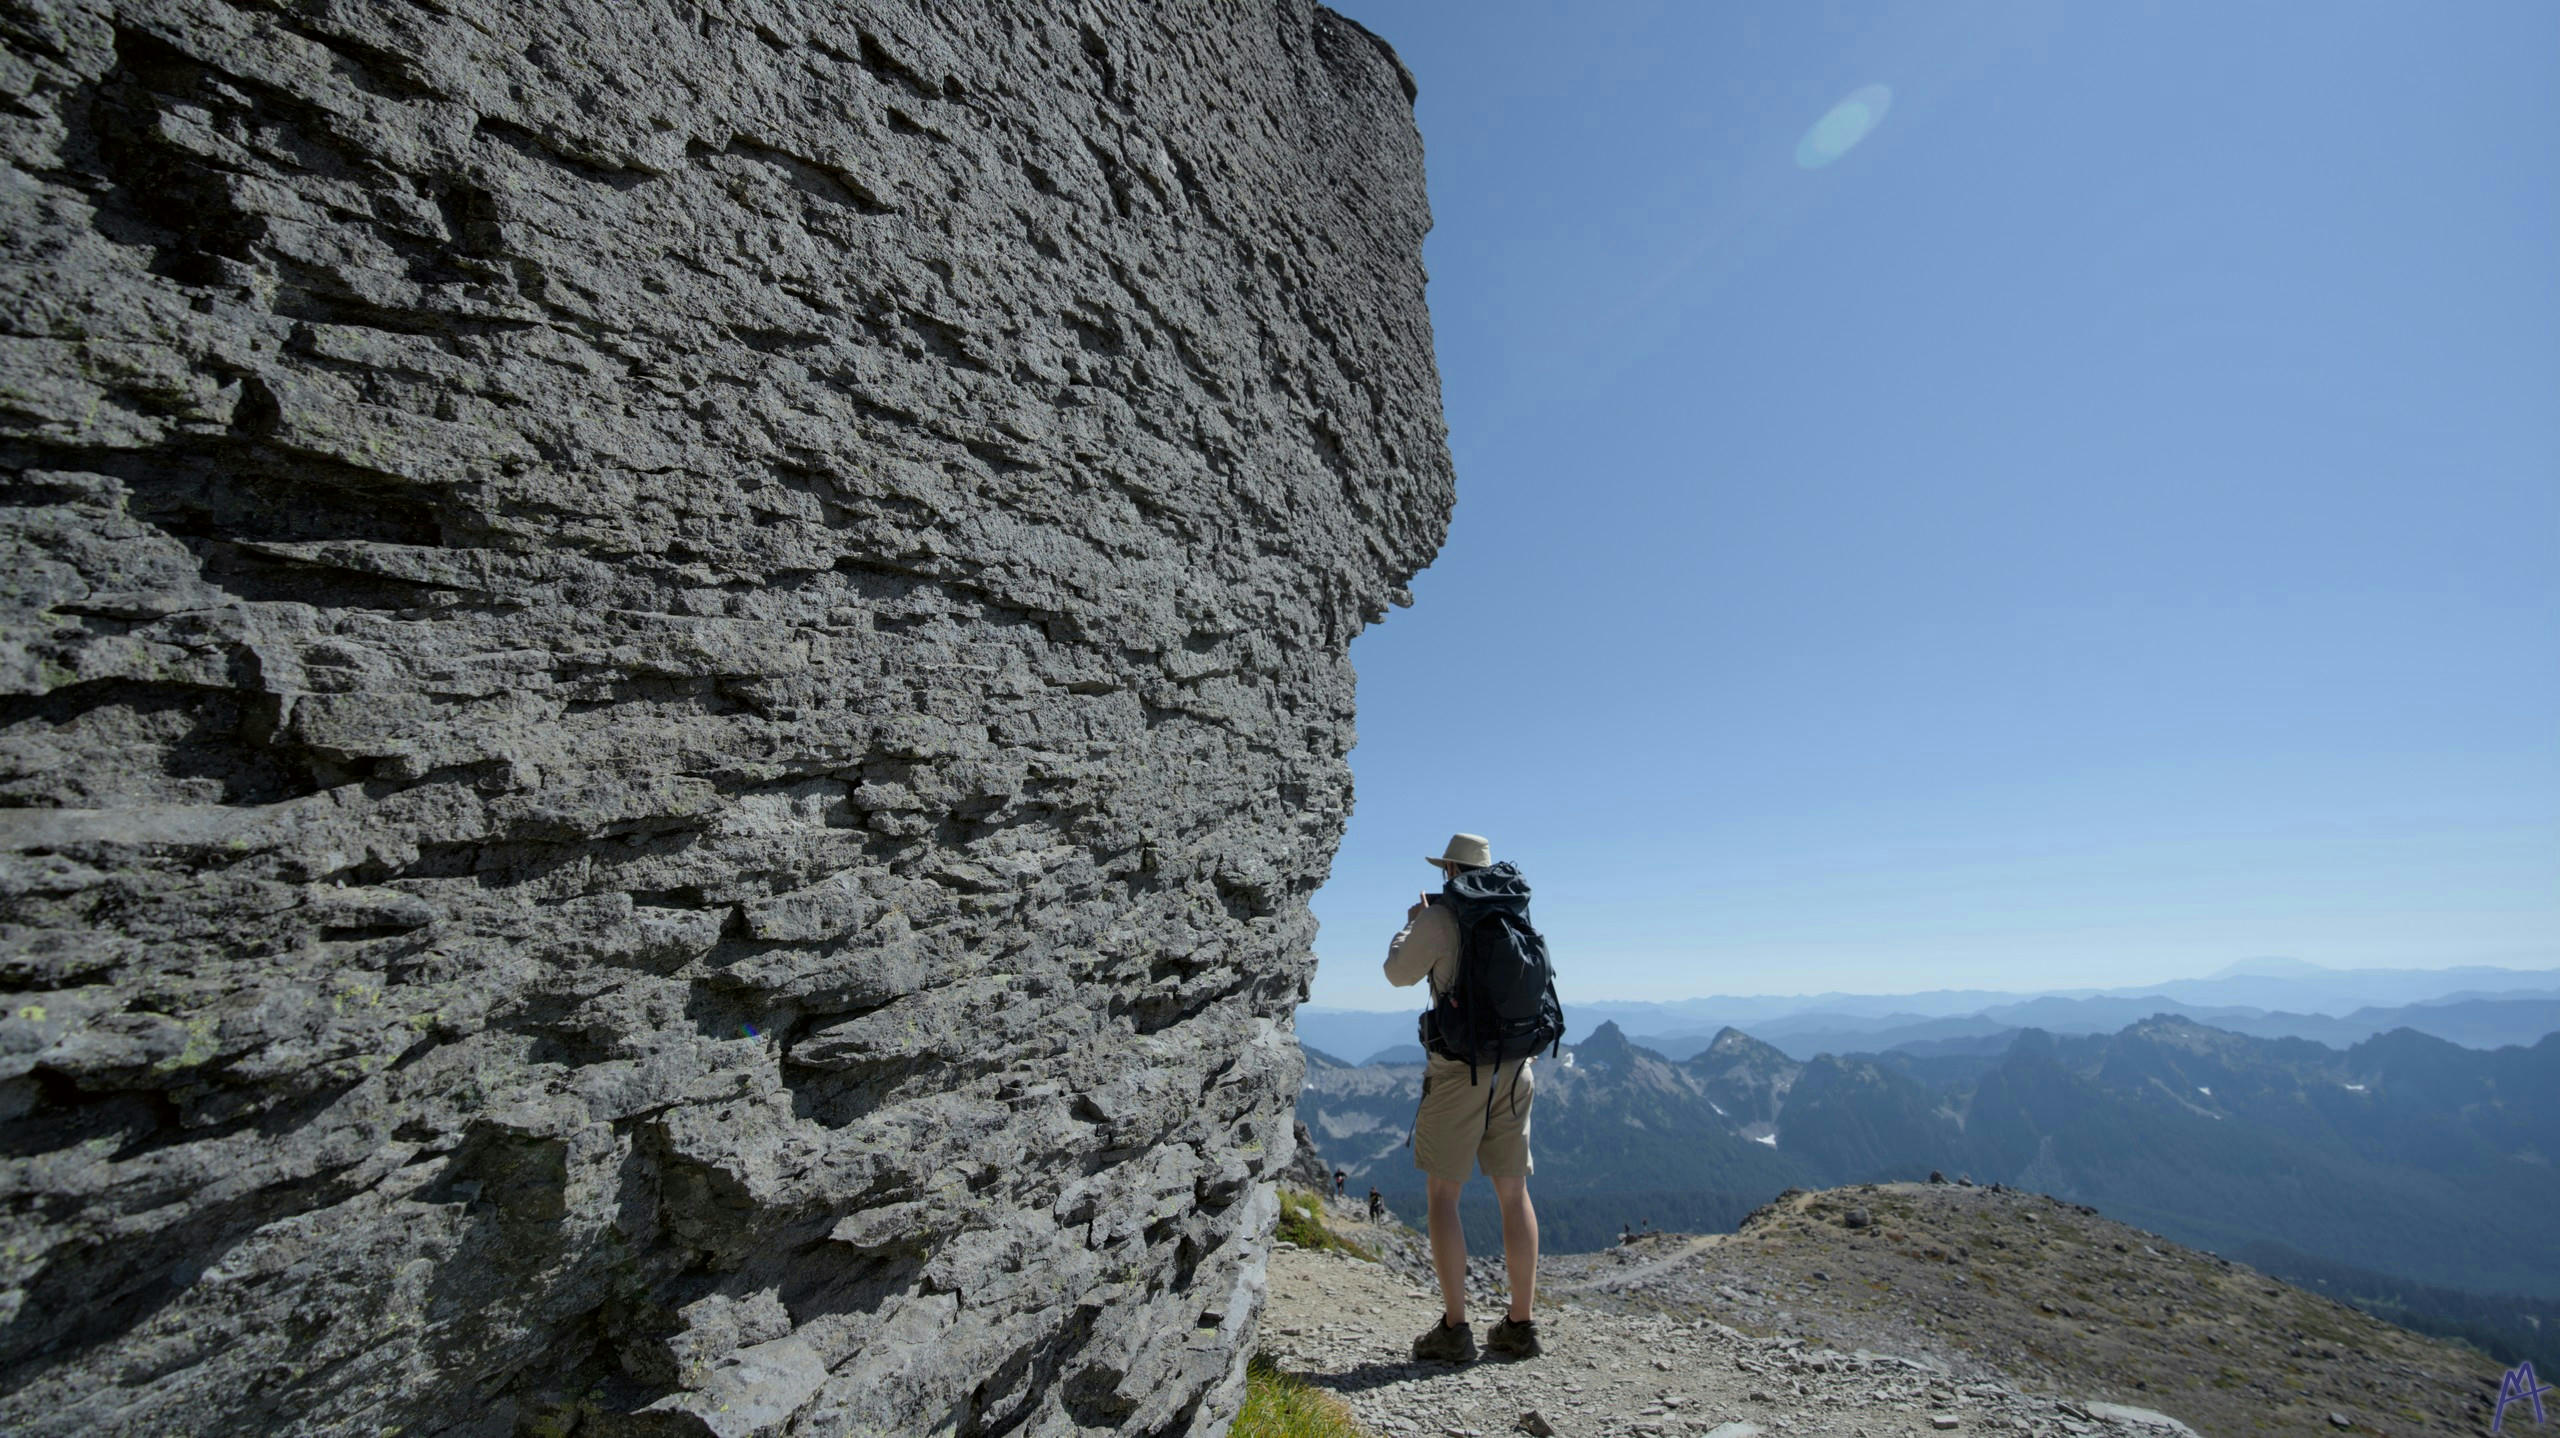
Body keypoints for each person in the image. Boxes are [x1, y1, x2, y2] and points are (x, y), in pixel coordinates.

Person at [1386, 833, 1543, 1364]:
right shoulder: (1514, 912)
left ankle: (1456, 1328)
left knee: (1443, 1195)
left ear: (1448, 869)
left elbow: (1397, 974)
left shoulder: (1441, 916)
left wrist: (1413, 921)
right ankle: (1520, 1325)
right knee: (1513, 1193)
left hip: (1460, 1072)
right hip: (1517, 1066)